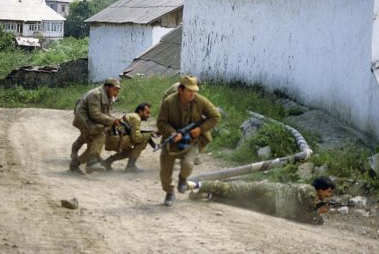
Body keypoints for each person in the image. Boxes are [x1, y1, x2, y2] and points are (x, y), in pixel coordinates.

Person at [156, 75, 221, 206]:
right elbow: (161, 123)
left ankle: (182, 179)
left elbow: (215, 116)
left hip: (193, 140)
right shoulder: (168, 102)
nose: (193, 94)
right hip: (172, 142)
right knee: (165, 172)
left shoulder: (200, 101)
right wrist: (173, 133)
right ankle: (169, 193)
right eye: (189, 91)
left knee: (188, 165)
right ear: (181, 90)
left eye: (194, 91)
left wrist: (200, 129)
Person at [186, 176, 335, 225]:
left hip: (269, 188)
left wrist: (317, 211)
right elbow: (303, 217)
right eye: (328, 192)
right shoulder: (309, 191)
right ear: (320, 189)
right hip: (273, 204)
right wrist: (318, 212)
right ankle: (207, 194)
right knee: (238, 201)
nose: (328, 195)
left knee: (234, 190)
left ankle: (199, 186)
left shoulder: (306, 190)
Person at [69, 78, 122, 175]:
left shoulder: (108, 96)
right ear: (107, 87)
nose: (116, 93)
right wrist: (112, 121)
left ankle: (75, 165)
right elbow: (95, 114)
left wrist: (114, 121)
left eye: (118, 90)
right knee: (99, 136)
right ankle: (91, 162)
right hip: (84, 119)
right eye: (115, 90)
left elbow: (106, 113)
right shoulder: (96, 94)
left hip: (91, 120)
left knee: (94, 144)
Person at [102, 103, 156, 173]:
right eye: (147, 113)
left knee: (130, 152)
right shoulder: (136, 118)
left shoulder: (132, 116)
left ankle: (107, 162)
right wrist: (150, 134)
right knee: (142, 140)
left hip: (110, 139)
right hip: (115, 140)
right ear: (140, 111)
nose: (148, 116)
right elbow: (136, 138)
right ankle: (131, 166)